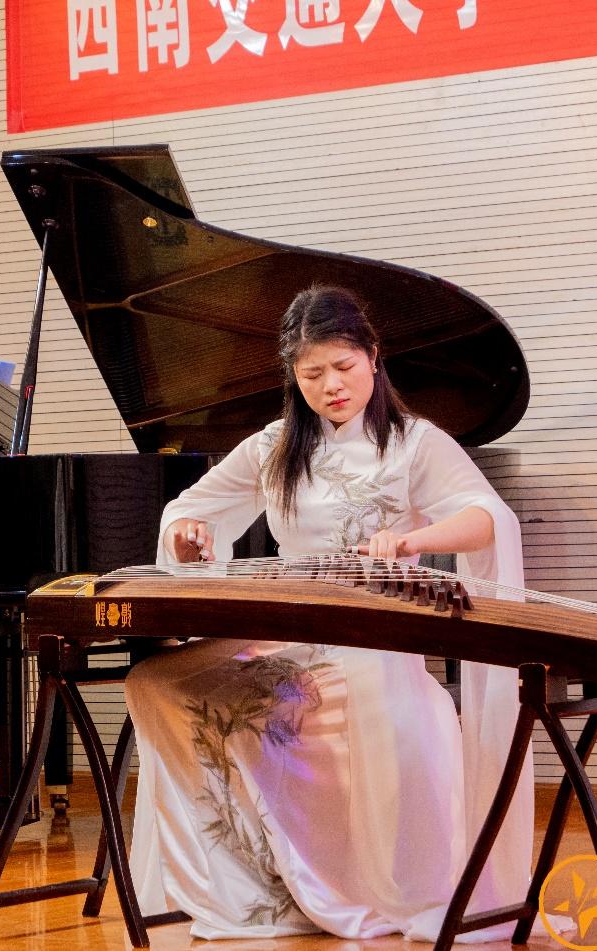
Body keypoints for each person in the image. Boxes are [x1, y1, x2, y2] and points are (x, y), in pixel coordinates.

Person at [124, 286, 535, 942]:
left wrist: (412, 541)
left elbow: (486, 517)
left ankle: (317, 882)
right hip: (293, 629)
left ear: (373, 356)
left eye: (342, 366)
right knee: (154, 681)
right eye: (311, 373)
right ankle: (250, 885)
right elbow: (189, 509)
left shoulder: (413, 442)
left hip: (374, 640)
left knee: (260, 699)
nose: (330, 386)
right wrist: (188, 536)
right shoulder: (275, 445)